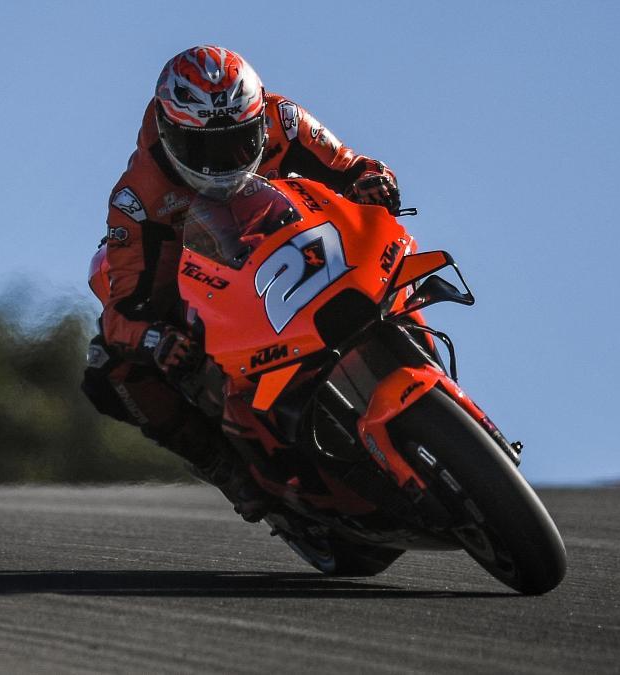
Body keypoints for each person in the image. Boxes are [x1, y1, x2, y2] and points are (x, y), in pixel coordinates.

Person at [82, 45, 400, 521]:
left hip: (302, 244)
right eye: (202, 148)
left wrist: (375, 180)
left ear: (257, 118)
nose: (220, 161)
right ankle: (225, 464)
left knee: (390, 255)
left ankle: (408, 345)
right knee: (110, 370)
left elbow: (352, 165)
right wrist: (155, 338)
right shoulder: (139, 196)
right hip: (213, 281)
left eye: (237, 141)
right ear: (170, 133)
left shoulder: (283, 118)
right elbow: (123, 310)